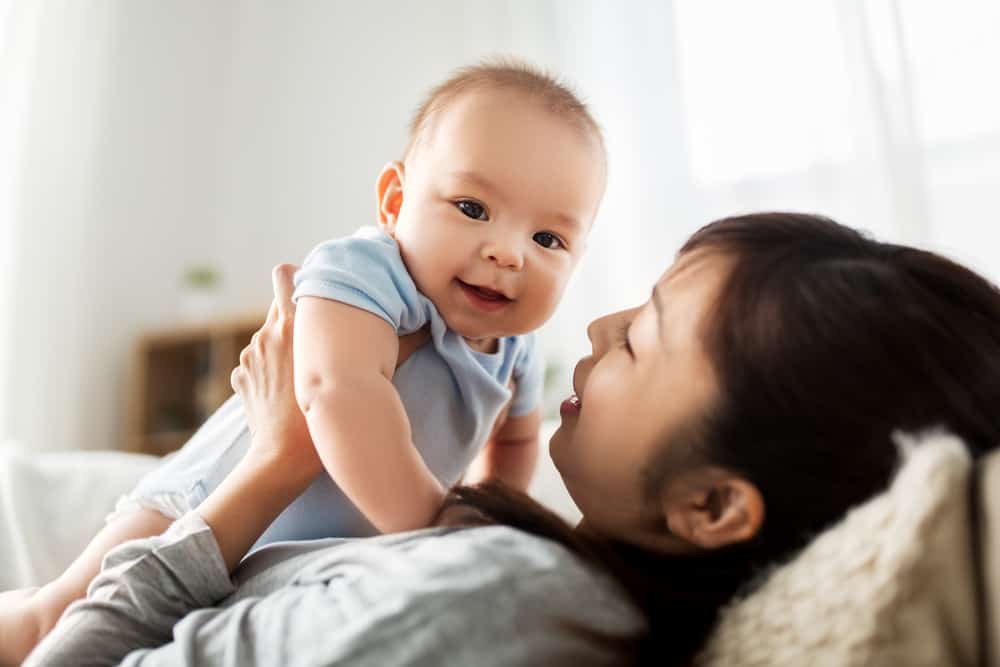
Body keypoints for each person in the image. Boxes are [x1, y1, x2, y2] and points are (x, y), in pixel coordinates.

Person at [17, 212, 1000, 666]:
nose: (603, 327)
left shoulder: (505, 609)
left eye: (647, 334)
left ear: (710, 505)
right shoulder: (531, 573)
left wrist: (276, 460)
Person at [0, 60, 608, 665]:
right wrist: (436, 526)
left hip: (296, 559)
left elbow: (516, 442)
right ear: (395, 201)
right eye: (473, 208)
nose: (507, 253)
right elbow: (339, 391)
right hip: (203, 507)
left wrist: (486, 516)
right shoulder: (370, 272)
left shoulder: (517, 346)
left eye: (548, 239)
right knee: (52, 622)